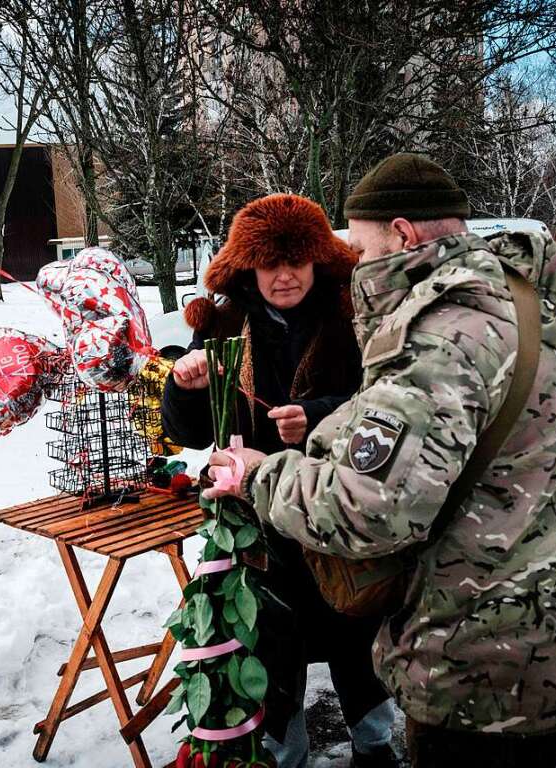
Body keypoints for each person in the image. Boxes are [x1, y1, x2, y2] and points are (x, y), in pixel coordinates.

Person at [204, 153, 556, 768]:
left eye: (360, 251)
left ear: (402, 233)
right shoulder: (514, 299)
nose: (357, 266)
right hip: (549, 625)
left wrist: (261, 474)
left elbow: (371, 510)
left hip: (477, 652)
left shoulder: (440, 332)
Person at [162, 193, 398, 768]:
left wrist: (318, 416)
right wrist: (186, 386)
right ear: (249, 266)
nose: (284, 276)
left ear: (319, 259)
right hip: (258, 518)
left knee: (356, 628)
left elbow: (388, 403)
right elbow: (190, 433)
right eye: (271, 263)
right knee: (270, 639)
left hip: (335, 506)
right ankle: (282, 751)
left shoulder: (354, 318)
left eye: (296, 261)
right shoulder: (224, 324)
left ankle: (374, 743)